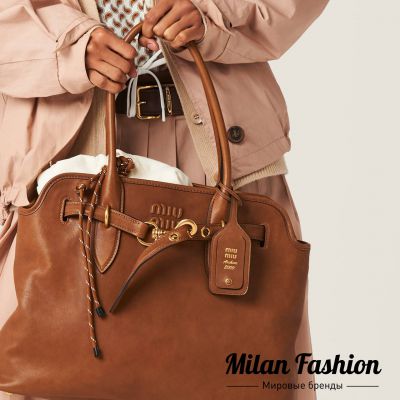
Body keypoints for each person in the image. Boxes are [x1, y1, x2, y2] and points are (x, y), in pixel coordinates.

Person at [0, 0, 329, 399]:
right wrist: (67, 44)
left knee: (239, 367)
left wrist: (215, 12)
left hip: (219, 148)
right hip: (67, 155)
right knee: (46, 365)